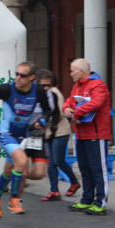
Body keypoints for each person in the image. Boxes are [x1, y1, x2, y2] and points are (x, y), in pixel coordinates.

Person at [0, 62, 54, 218]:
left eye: (22, 75)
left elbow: (48, 109)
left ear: (31, 77)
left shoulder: (39, 90)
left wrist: (43, 119)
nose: (18, 78)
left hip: (22, 136)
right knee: (22, 162)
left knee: (9, 171)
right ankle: (15, 199)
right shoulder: (6, 89)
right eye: (17, 74)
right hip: (5, 133)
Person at [63, 58, 112, 216]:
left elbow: (96, 103)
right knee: (85, 168)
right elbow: (69, 102)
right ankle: (86, 200)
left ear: (81, 71)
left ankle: (100, 202)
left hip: (96, 135)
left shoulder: (99, 85)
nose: (70, 74)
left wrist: (75, 112)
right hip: (81, 133)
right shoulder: (77, 86)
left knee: (98, 169)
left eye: (72, 71)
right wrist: (66, 110)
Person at [36, 70, 80, 201]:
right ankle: (54, 191)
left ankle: (74, 182)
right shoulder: (41, 93)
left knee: (58, 160)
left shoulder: (54, 92)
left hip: (60, 131)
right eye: (42, 84)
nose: (45, 87)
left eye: (47, 84)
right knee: (51, 163)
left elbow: (61, 112)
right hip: (49, 132)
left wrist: (45, 119)